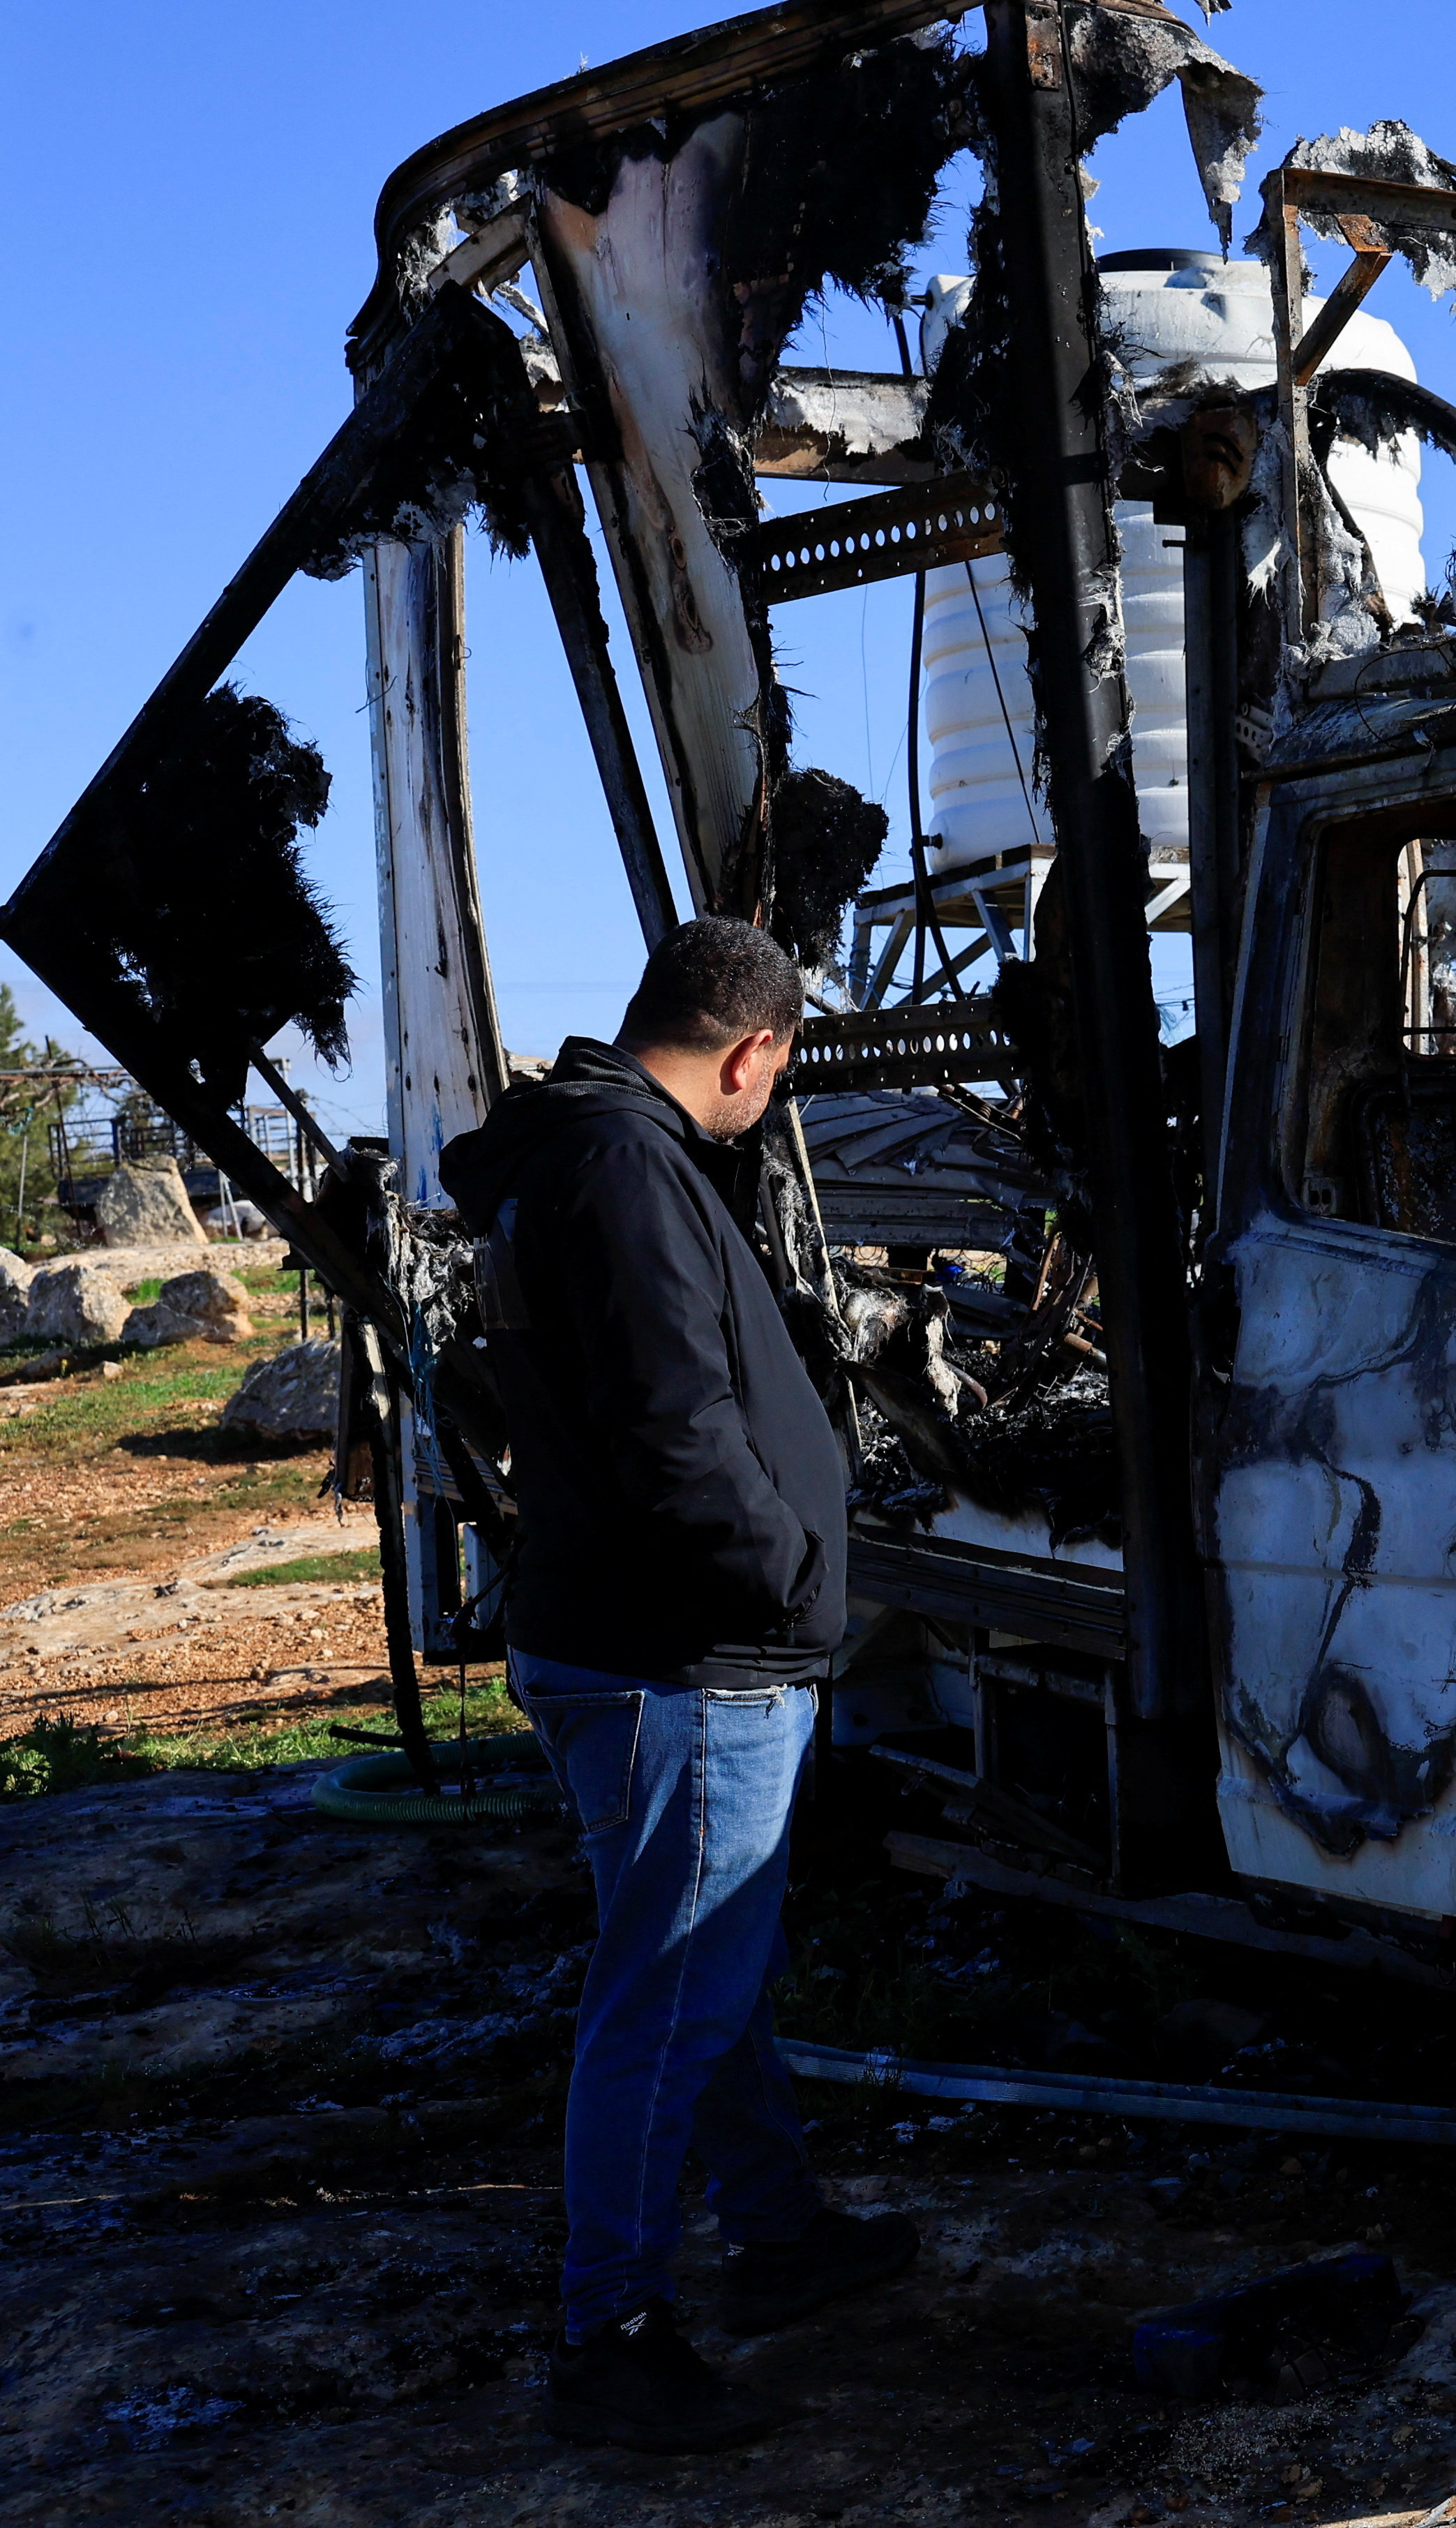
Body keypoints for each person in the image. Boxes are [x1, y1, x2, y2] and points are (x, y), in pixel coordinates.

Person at [442, 917, 912, 2451]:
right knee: (666, 1994)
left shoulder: (568, 1157)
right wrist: (789, 1579)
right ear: (751, 1050)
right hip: (682, 1659)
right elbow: (675, 1430)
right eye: (777, 1074)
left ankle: (775, 2234)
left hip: (625, 1638)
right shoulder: (632, 1173)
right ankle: (613, 2330)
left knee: (706, 1963)